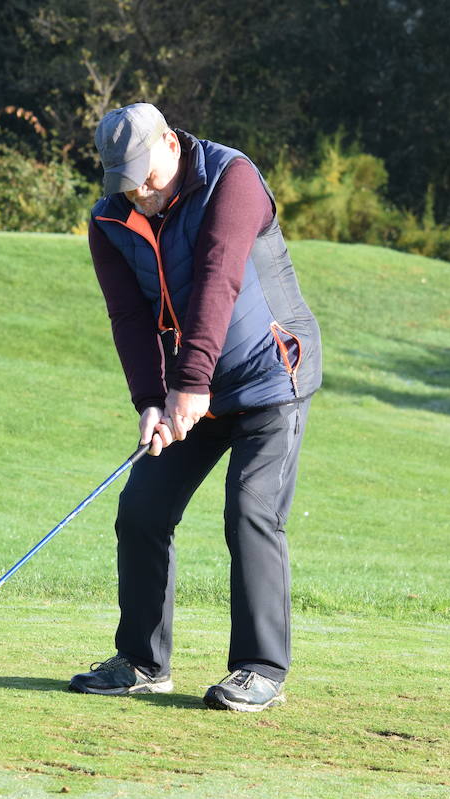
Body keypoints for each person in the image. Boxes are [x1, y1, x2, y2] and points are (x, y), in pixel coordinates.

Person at [69, 102, 322, 712]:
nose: (140, 193)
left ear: (169, 142)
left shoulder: (231, 179)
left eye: (147, 176)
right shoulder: (109, 220)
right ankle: (141, 662)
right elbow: (129, 317)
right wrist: (152, 400)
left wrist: (188, 382)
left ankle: (260, 668)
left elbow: (218, 278)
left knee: (249, 511)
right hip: (193, 389)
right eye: (124, 181)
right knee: (142, 510)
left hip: (271, 378)